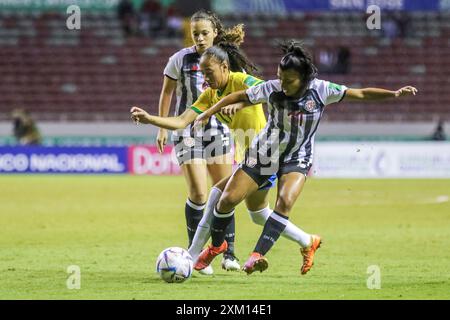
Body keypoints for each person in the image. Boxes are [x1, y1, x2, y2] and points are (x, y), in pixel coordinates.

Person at [192, 41, 418, 275]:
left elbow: (359, 93)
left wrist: (394, 93)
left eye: (289, 81)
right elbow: (237, 96)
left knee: (284, 202)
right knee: (227, 200)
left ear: (303, 78)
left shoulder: (321, 90)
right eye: (280, 78)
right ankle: (218, 246)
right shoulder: (272, 87)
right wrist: (208, 113)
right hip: (264, 153)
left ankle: (257, 255)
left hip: (297, 157)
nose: (283, 85)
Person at [132, 44, 317, 272]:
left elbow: (268, 91)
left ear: (224, 67)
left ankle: (196, 253)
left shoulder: (241, 80)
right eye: (203, 73)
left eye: (209, 72)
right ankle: (308, 241)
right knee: (256, 213)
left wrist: (239, 103)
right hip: (250, 159)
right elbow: (181, 121)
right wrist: (151, 119)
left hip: (267, 157)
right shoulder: (210, 96)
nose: (205, 77)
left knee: (220, 196)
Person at [136, 10, 248, 274]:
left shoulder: (229, 61)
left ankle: (228, 252)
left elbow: (244, 93)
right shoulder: (180, 59)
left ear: (215, 34)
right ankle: (193, 253)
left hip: (219, 130)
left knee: (224, 193)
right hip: (187, 132)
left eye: (204, 33)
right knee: (198, 193)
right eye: (195, 33)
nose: (199, 38)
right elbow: (167, 92)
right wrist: (161, 127)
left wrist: (239, 111)